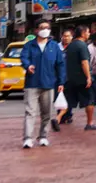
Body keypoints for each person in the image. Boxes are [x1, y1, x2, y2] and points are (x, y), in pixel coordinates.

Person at [20, 20, 65, 148]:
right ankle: (28, 138)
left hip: (49, 83)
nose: (45, 29)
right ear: (36, 30)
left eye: (47, 27)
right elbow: (24, 58)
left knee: (46, 113)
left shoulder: (54, 46)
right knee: (30, 112)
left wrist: (61, 81)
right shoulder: (29, 45)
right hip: (32, 83)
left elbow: (60, 64)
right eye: (42, 27)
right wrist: (28, 66)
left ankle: (43, 136)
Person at [63, 26, 96, 132]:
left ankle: (58, 118)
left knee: (69, 101)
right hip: (82, 78)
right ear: (83, 33)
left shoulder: (70, 45)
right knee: (90, 100)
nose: (89, 34)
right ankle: (90, 123)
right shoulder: (82, 45)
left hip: (71, 78)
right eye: (88, 32)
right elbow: (84, 62)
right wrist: (88, 77)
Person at [53, 29, 74, 126]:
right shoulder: (56, 47)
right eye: (65, 36)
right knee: (59, 97)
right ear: (61, 37)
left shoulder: (74, 48)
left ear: (71, 37)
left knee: (69, 98)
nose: (66, 38)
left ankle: (68, 115)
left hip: (70, 77)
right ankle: (60, 116)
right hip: (58, 77)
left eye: (68, 36)